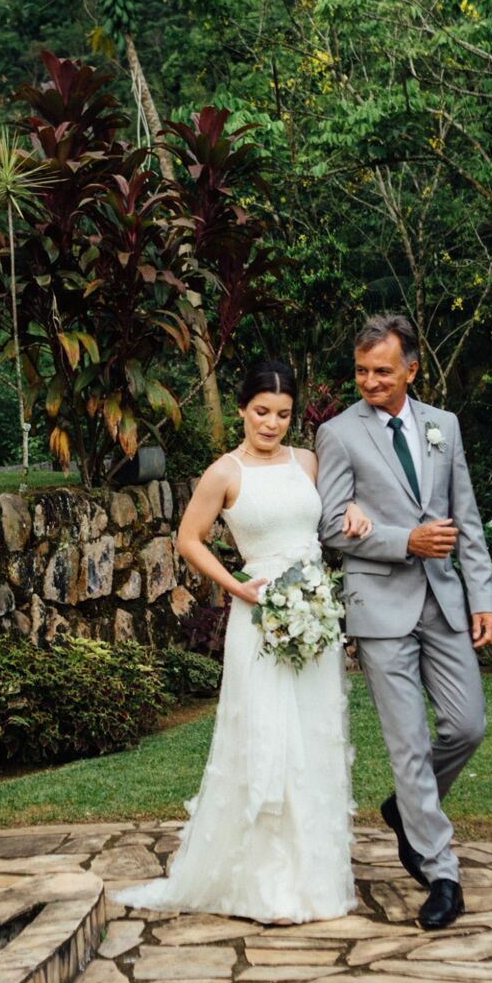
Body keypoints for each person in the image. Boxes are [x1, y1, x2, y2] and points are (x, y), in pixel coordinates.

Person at [111, 360, 366, 922]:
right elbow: (188, 539)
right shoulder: (224, 473)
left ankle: (314, 878)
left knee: (314, 738)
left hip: (315, 620)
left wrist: (351, 509)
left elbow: (333, 518)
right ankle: (263, 884)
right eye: (260, 412)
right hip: (259, 619)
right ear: (243, 409)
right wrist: (236, 588)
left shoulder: (310, 462)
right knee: (266, 740)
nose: (271, 424)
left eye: (282, 415)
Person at [315, 313, 492, 931]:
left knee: (467, 725)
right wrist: (404, 541)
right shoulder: (338, 434)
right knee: (409, 744)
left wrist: (484, 598)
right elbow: (332, 526)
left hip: (445, 604)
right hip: (381, 610)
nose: (369, 381)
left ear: (411, 370)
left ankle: (406, 811)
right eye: (362, 371)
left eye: (382, 372)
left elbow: (465, 519)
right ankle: (440, 871)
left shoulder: (444, 426)